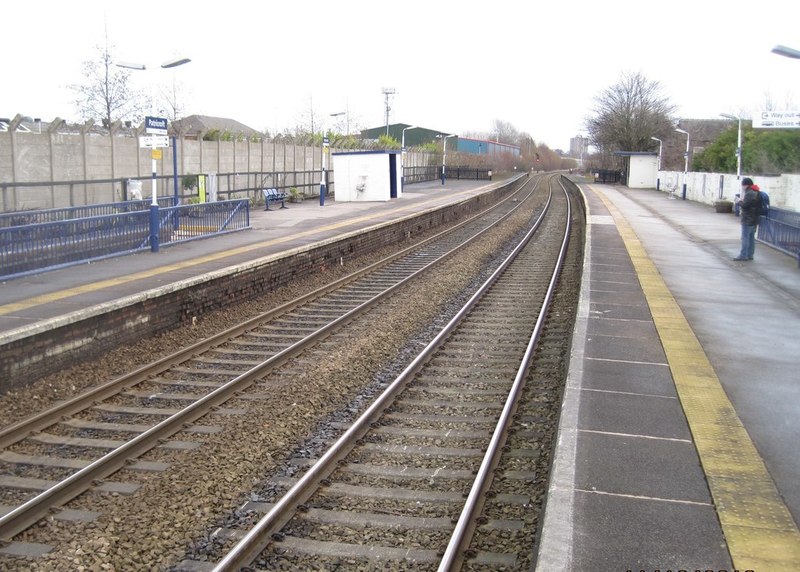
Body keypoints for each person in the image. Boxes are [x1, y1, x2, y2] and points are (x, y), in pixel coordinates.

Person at [734, 177, 761, 261]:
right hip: (754, 219)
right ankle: (750, 255)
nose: (742, 187)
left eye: (743, 185)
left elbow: (745, 206)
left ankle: (743, 255)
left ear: (746, 185)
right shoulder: (756, 192)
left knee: (745, 238)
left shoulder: (749, 193)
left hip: (747, 219)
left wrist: (739, 201)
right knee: (751, 238)